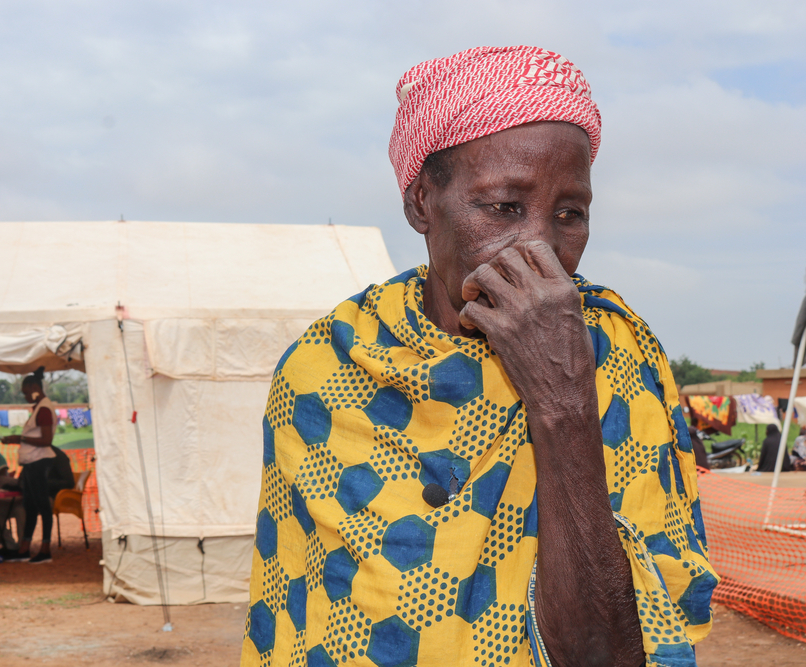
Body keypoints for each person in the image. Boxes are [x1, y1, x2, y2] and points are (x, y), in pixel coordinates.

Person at [242, 46, 717, 666]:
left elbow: (609, 654)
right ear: (421, 205)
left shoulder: (614, 361)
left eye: (569, 214)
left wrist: (563, 404)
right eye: (503, 208)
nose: (539, 248)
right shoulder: (325, 369)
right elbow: (304, 621)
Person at [0, 367, 56, 563]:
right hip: (32, 463)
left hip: (39, 462)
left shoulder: (44, 408)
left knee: (42, 506)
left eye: (25, 392)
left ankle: (45, 549)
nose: (25, 396)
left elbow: (47, 440)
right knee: (30, 506)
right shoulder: (39, 408)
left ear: (34, 388)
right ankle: (25, 548)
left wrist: (19, 438)